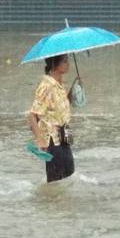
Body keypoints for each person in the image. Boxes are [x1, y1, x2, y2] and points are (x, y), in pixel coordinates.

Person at [27, 54, 80, 183]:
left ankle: (59, 202)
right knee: (55, 179)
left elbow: (60, 106)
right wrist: (40, 139)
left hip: (64, 135)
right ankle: (50, 201)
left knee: (69, 173)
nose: (68, 64)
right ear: (55, 65)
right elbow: (32, 115)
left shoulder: (58, 84)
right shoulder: (47, 86)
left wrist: (75, 87)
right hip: (52, 138)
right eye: (65, 61)